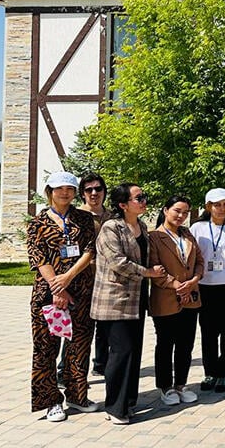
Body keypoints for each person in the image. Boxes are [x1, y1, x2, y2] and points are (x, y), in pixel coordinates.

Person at [91, 183, 167, 425]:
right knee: (121, 352)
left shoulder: (142, 226)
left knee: (133, 352)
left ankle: (129, 400)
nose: (144, 201)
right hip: (114, 300)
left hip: (137, 299)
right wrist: (148, 272)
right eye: (138, 198)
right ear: (123, 204)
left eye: (144, 196)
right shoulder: (111, 228)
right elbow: (118, 263)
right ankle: (115, 407)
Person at [27, 171, 98, 422]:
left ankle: (78, 396)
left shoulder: (84, 219)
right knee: (46, 349)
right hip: (48, 295)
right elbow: (38, 258)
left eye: (69, 188)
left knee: (78, 346)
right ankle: (50, 401)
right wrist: (58, 287)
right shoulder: (37, 222)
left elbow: (90, 250)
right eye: (59, 189)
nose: (65, 193)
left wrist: (68, 278)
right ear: (50, 191)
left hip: (80, 292)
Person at [149, 195, 204, 406]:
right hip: (165, 298)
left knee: (185, 344)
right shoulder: (155, 236)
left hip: (190, 297)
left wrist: (194, 281)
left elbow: (199, 261)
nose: (181, 216)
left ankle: (181, 384)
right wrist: (175, 285)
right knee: (165, 344)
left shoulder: (188, 234)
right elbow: (155, 267)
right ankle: (165, 386)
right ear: (165, 210)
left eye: (185, 212)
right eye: (177, 211)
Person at [190, 188, 225, 393]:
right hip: (206, 285)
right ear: (208, 207)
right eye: (216, 205)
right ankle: (210, 372)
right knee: (208, 330)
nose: (221, 208)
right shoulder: (198, 228)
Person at [77, 172, 113, 379]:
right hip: (83, 278)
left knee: (105, 325)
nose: (94, 193)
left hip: (107, 279)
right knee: (79, 327)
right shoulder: (76, 216)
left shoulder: (111, 217)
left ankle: (100, 364)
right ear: (82, 193)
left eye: (98, 189)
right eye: (89, 189)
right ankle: (67, 370)